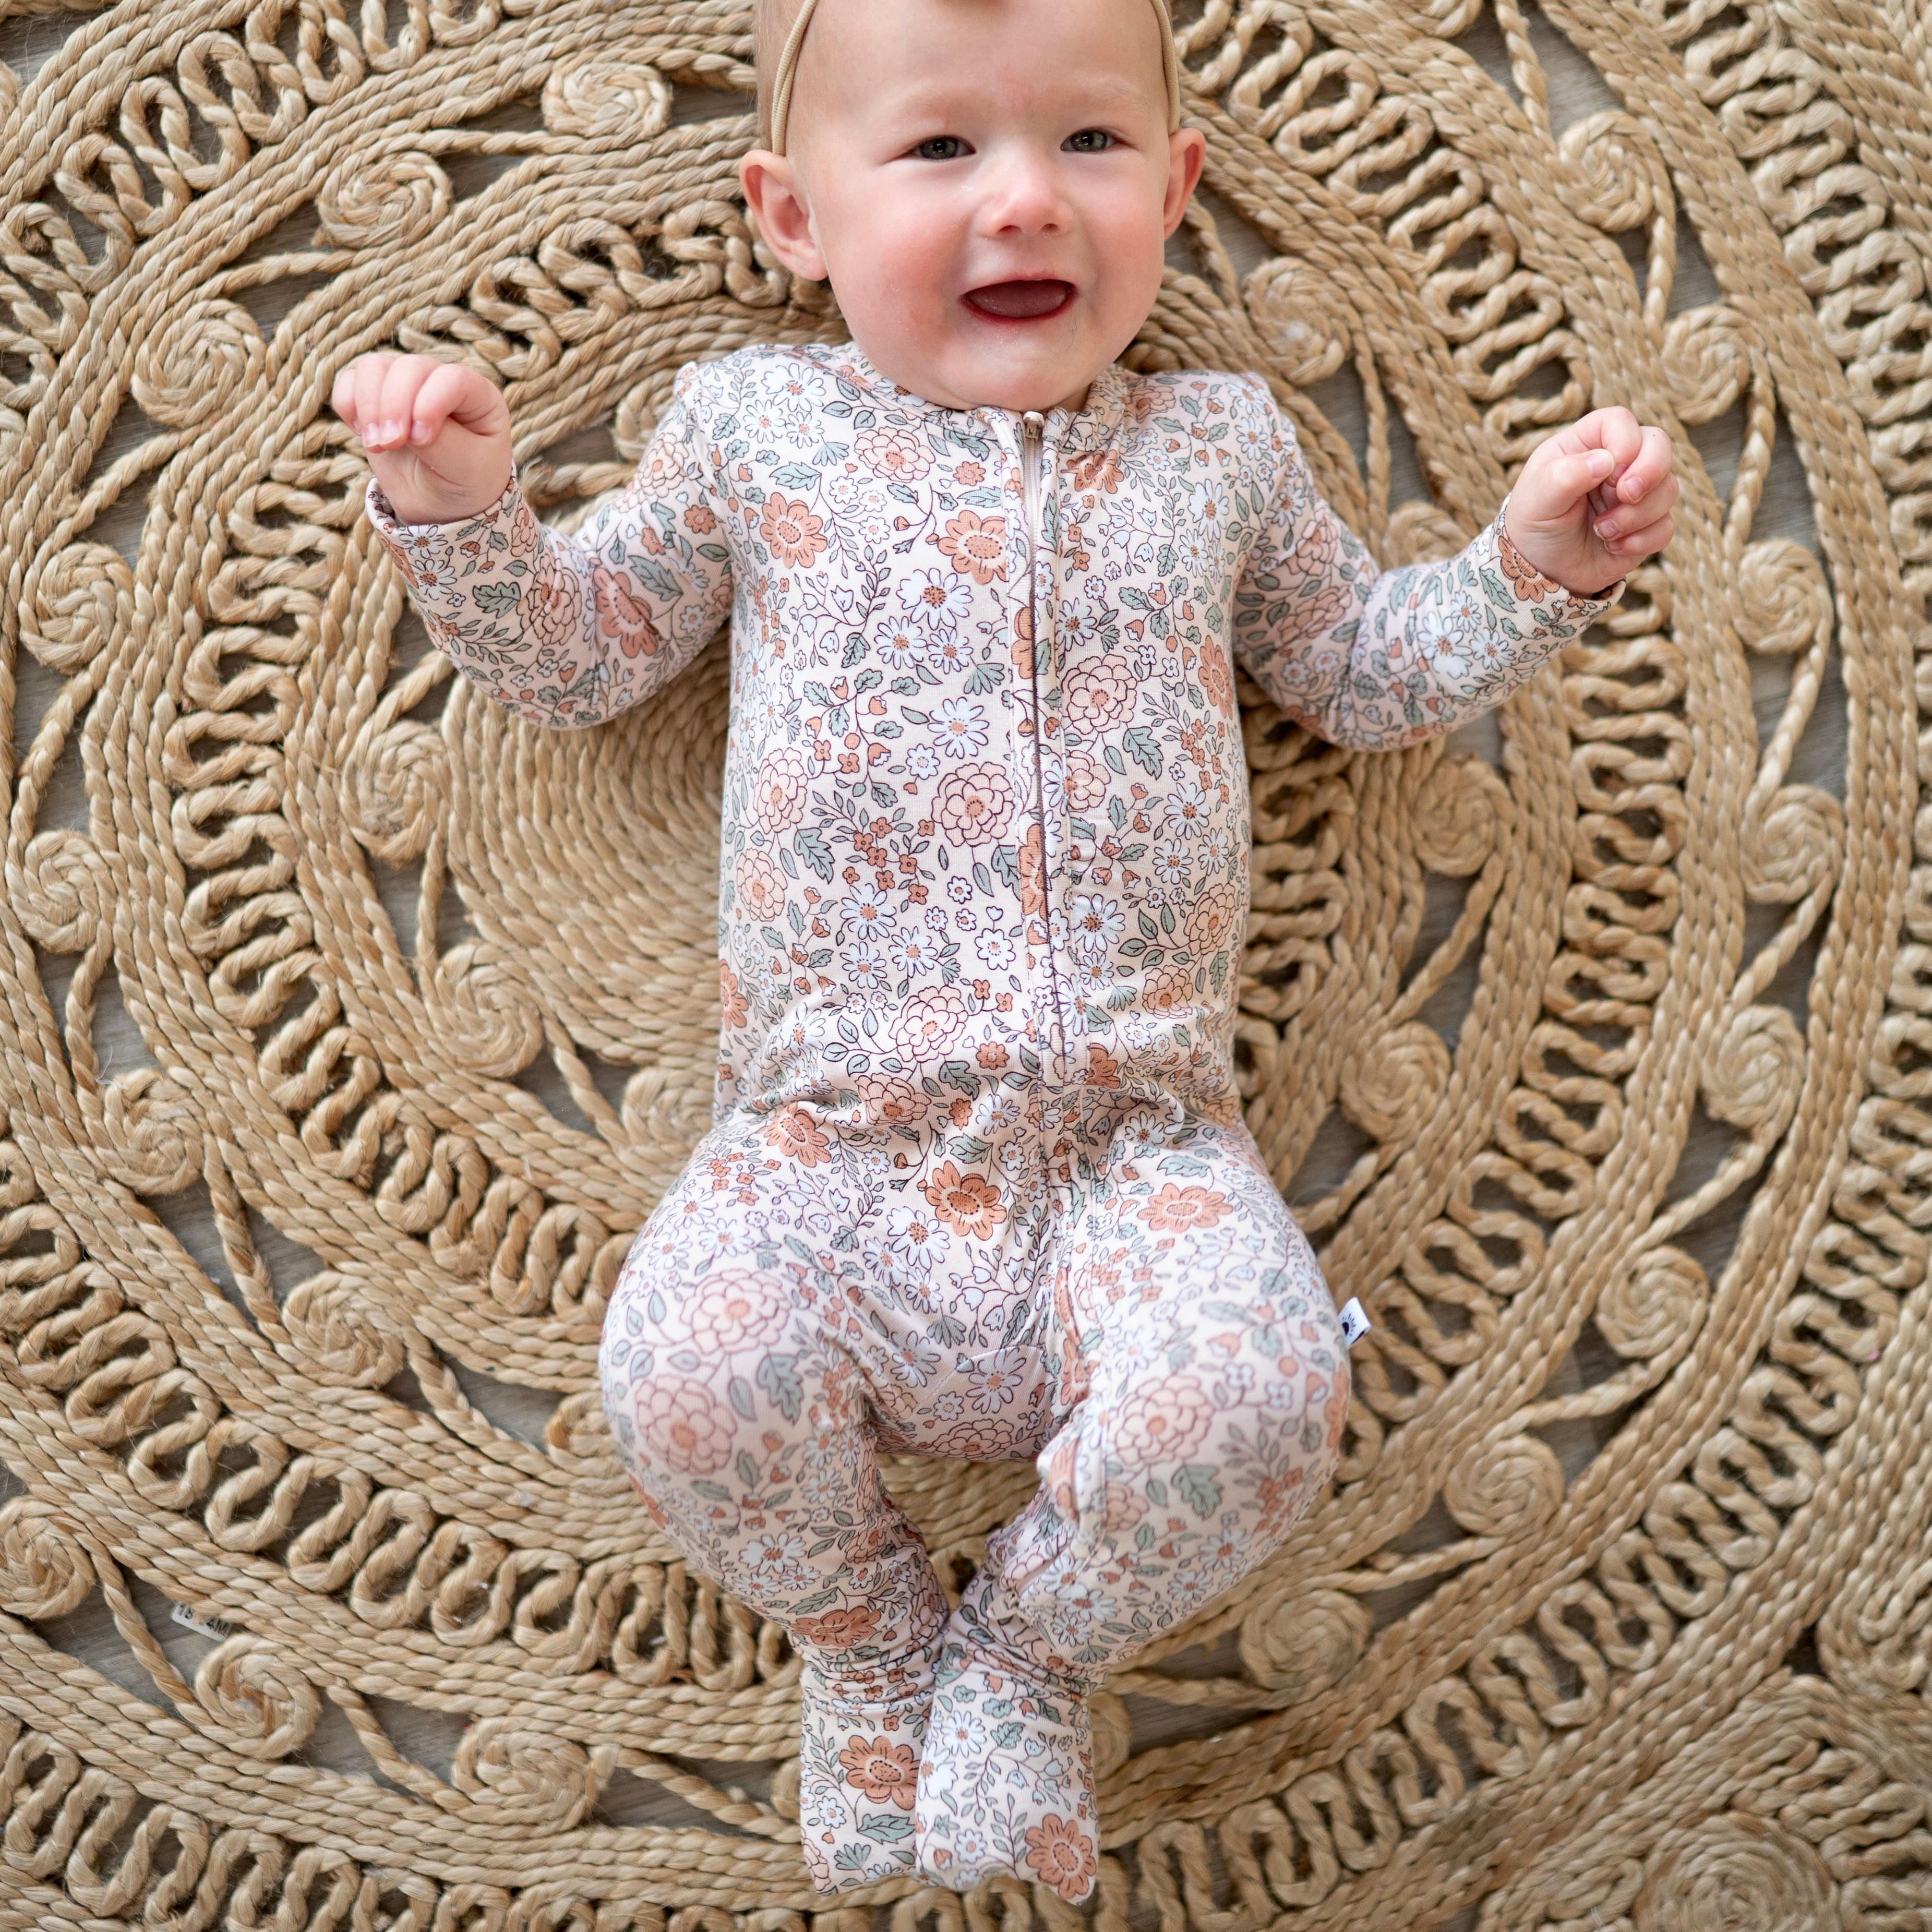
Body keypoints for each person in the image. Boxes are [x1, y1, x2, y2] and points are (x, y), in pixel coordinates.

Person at [333, 0, 1678, 1899]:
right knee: (685, 1376)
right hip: (828, 1145)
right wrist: (461, 509)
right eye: (943, 150)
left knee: (1265, 1394)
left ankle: (1024, 1657)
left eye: (1093, 147)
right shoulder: (758, 424)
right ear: (792, 217)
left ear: (1182, 188)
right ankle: (873, 1638)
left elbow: (1360, 674)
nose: (1027, 202)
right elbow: (581, 654)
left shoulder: (1216, 446)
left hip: (1138, 1153)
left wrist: (1530, 566)